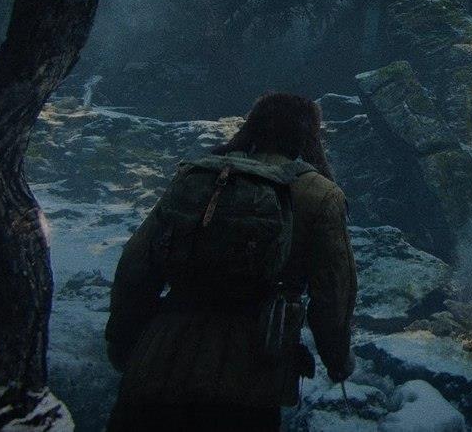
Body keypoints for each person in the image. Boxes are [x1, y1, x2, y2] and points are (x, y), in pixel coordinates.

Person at [105, 92, 357, 431]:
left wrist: (124, 345)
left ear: (252, 125)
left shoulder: (199, 177)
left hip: (156, 366)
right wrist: (338, 362)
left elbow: (135, 267)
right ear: (308, 134)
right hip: (249, 382)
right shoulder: (319, 193)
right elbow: (334, 295)